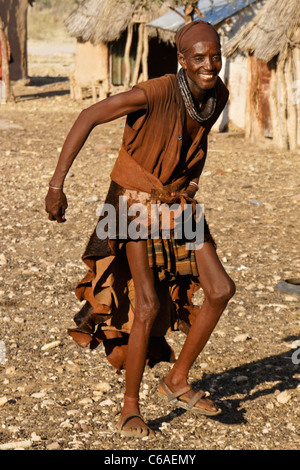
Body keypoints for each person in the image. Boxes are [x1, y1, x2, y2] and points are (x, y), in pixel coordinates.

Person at [45, 20, 236, 438]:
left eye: (215, 55)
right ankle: (130, 408)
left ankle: (177, 379)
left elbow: (194, 146)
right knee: (146, 304)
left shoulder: (217, 95)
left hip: (175, 201)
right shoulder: (155, 92)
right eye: (199, 57)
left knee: (220, 289)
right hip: (132, 201)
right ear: (182, 60)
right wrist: (57, 185)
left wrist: (190, 185)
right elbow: (89, 114)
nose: (209, 64)